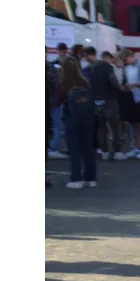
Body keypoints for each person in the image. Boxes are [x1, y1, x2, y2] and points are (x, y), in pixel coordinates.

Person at [58, 57, 99, 189]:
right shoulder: (85, 82)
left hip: (71, 119)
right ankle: (90, 178)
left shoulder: (63, 84)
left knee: (74, 149)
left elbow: (58, 101)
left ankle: (76, 178)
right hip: (88, 119)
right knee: (88, 149)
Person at [88, 50, 131, 160]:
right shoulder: (108, 67)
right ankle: (117, 152)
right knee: (115, 127)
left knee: (101, 128)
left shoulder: (91, 68)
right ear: (108, 58)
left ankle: (104, 151)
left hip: (96, 100)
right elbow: (113, 81)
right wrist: (120, 88)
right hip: (110, 100)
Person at [120, 50, 140, 160]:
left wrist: (136, 84)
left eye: (125, 59)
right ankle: (138, 147)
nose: (125, 62)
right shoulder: (128, 67)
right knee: (134, 124)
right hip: (132, 97)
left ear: (130, 56)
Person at [49, 43, 71, 158]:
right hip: (59, 99)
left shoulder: (53, 64)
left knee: (58, 125)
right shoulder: (53, 65)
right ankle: (54, 147)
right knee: (59, 125)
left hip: (57, 99)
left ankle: (55, 146)